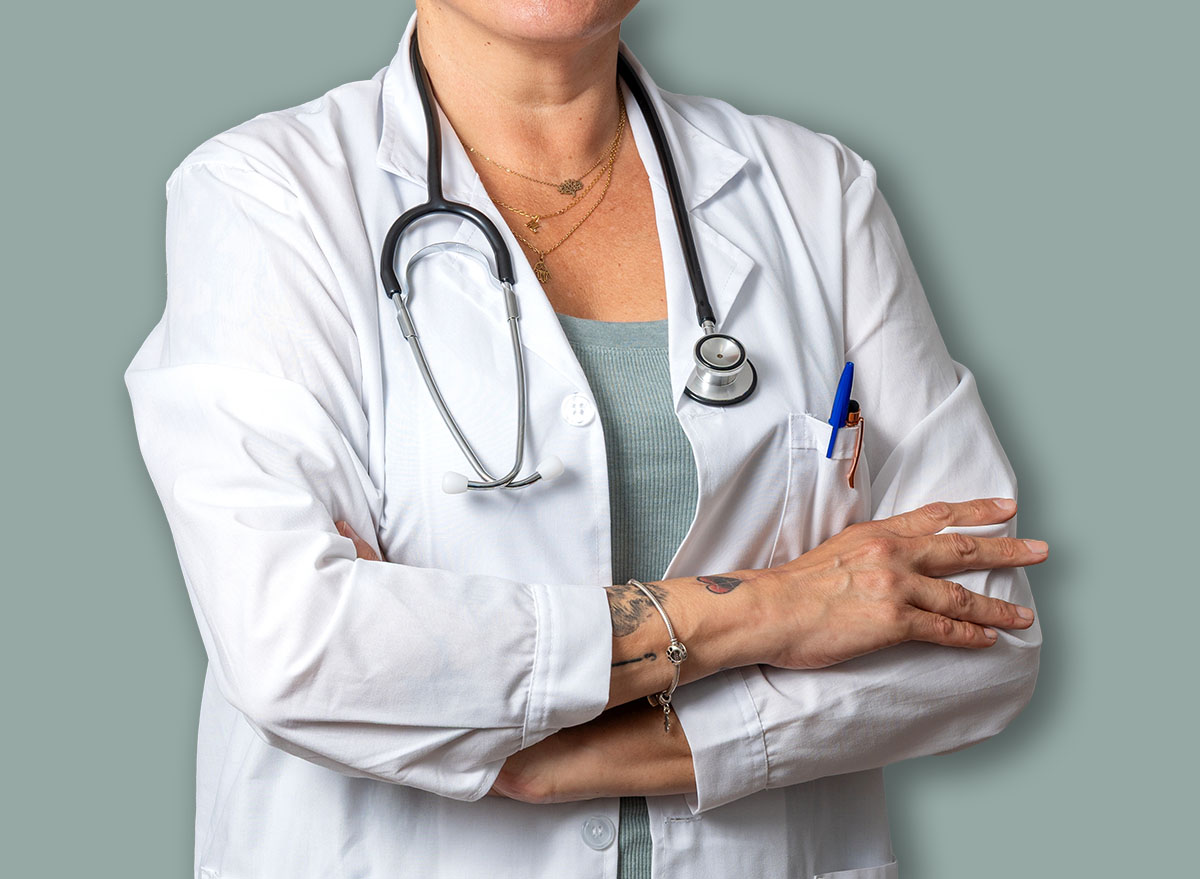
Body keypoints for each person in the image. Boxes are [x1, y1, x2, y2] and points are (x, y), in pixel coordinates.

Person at [124, 2, 1045, 877]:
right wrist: (773, 608)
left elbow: (983, 617)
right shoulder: (268, 194)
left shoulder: (812, 192)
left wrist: (610, 746)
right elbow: (299, 644)